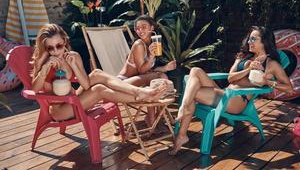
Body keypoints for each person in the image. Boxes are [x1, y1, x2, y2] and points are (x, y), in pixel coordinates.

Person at [169, 26, 294, 155]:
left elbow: (289, 88)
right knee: (195, 71)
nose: (249, 42)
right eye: (249, 38)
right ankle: (183, 121)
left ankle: (182, 124)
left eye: (253, 39)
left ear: (264, 42)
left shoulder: (271, 64)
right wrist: (248, 69)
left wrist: (268, 81)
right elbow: (230, 78)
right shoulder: (243, 56)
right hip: (224, 92)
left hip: (236, 100)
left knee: (193, 92)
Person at [31, 23, 167, 121]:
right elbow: (35, 89)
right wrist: (43, 70)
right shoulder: (46, 62)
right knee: (99, 90)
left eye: (59, 46)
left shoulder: (73, 56)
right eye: (50, 48)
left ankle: (141, 93)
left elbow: (85, 86)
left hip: (74, 98)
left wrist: (74, 66)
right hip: (60, 109)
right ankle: (143, 95)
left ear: (64, 41)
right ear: (46, 48)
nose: (55, 51)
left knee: (96, 73)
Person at [118, 15, 177, 126]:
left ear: (152, 28)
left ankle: (155, 117)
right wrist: (151, 57)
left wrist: (166, 67)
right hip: (124, 83)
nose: (140, 30)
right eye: (137, 28)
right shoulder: (138, 44)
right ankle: (155, 118)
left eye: (144, 27)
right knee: (160, 77)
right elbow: (142, 70)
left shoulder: (152, 44)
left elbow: (149, 70)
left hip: (139, 81)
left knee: (158, 79)